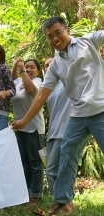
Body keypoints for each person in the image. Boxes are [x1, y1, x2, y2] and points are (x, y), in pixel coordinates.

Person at [11, 16, 104, 216]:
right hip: (78, 115)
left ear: (67, 30)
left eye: (57, 33)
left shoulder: (89, 41)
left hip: (100, 110)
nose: (54, 38)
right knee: (67, 153)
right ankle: (63, 203)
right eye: (49, 36)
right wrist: (24, 121)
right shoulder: (54, 66)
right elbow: (41, 97)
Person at [12, 58, 45, 207]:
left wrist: (23, 71)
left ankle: (36, 194)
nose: (29, 69)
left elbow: (31, 91)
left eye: (32, 67)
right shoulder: (19, 82)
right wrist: (15, 67)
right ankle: (26, 192)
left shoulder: (38, 82)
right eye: (27, 67)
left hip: (34, 128)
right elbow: (13, 79)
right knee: (24, 162)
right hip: (20, 128)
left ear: (38, 71)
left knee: (35, 162)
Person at [44, 56, 72, 196]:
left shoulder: (66, 82)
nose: (48, 68)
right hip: (52, 133)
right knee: (56, 170)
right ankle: (64, 202)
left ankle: (59, 202)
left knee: (52, 171)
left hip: (64, 131)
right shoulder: (48, 88)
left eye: (51, 65)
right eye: (46, 66)